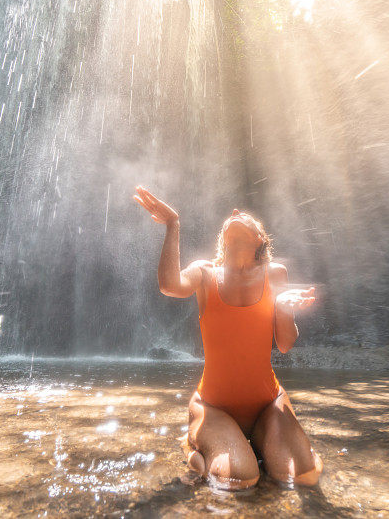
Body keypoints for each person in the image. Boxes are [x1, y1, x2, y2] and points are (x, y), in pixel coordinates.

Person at [133, 185, 323, 490]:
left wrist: (285, 309)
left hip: (267, 403)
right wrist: (173, 224)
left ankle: (260, 445)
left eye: (244, 215)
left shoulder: (276, 274)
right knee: (238, 480)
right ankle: (194, 445)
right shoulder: (204, 273)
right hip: (214, 406)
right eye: (232, 214)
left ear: (259, 238)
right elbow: (169, 285)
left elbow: (285, 344)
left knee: (303, 476)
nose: (234, 212)